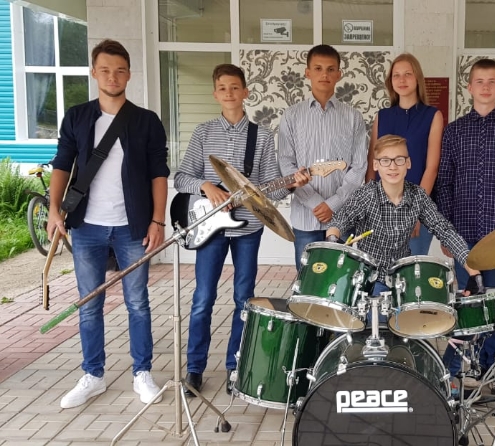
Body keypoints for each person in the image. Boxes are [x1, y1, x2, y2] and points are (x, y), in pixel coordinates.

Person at [174, 64, 310, 397]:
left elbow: (271, 188)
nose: (229, 93)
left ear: (246, 92)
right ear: (215, 94)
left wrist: (292, 183)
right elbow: (181, 177)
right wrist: (206, 186)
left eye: (235, 87)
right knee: (203, 298)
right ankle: (194, 369)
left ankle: (235, 366)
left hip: (248, 229)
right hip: (209, 228)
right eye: (223, 88)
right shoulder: (203, 132)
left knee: (243, 298)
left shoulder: (260, 135)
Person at [47, 39, 169, 409]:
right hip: (87, 227)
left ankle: (142, 373)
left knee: (138, 302)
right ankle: (93, 375)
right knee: (89, 304)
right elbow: (62, 164)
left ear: (129, 74)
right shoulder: (77, 117)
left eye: (119, 70)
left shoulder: (146, 121)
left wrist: (157, 220)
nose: (112, 77)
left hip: (132, 227)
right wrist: (54, 209)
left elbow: (158, 173)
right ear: (94, 73)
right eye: (105, 70)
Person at [436, 58, 495, 384]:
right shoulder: (454, 131)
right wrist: (446, 233)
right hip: (462, 235)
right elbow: (444, 182)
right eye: (479, 81)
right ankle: (459, 368)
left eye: (491, 81)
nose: (485, 87)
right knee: (467, 302)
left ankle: (494, 369)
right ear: (469, 87)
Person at [327, 135, 478, 298]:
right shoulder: (366, 195)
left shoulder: (418, 196)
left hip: (402, 279)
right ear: (376, 165)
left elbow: (445, 231)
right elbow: (340, 220)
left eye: (399, 160)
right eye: (385, 160)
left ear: (408, 163)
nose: (393, 166)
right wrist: (333, 238)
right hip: (370, 280)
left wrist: (474, 272)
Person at [279, 44, 368, 270]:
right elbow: (286, 163)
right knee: (307, 282)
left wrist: (333, 203)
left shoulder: (353, 117)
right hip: (305, 217)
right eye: (318, 68)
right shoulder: (291, 116)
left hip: (343, 216)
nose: (324, 74)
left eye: (330, 69)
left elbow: (359, 167)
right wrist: (316, 202)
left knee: (342, 281)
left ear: (339, 74)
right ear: (308, 73)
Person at [365, 53, 444, 256]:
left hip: (417, 207)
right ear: (390, 81)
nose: (402, 79)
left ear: (417, 78)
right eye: (396, 75)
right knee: (380, 270)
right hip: (382, 209)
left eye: (408, 74)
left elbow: (431, 168)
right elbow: (372, 166)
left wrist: (415, 212)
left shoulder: (433, 116)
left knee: (410, 270)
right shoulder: (382, 117)